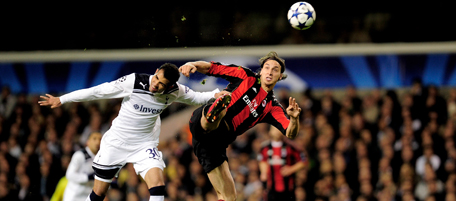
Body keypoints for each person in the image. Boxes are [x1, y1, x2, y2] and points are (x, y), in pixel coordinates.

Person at [39, 63, 225, 201]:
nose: (155, 84)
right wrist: (62, 100)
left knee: (158, 186)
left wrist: (215, 94)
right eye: (156, 78)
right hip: (116, 143)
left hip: (144, 144)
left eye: (161, 84)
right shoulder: (134, 81)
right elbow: (98, 91)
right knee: (99, 194)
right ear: (156, 72)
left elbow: (196, 97)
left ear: (169, 87)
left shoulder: (175, 92)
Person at [179, 51, 302, 201]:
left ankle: (216, 111)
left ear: (280, 76)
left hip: (215, 144)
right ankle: (216, 110)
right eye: (267, 67)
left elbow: (290, 133)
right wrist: (192, 64)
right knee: (219, 111)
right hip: (203, 121)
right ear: (261, 71)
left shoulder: (272, 107)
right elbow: (213, 68)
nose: (270, 71)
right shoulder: (245, 76)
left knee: (229, 196)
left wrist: (294, 119)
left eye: (275, 69)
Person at [258, 126, 307, 201]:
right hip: (271, 187)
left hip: (289, 187)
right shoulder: (265, 148)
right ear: (269, 132)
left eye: (279, 129)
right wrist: (263, 172)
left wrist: (291, 169)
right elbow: (262, 160)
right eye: (274, 129)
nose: (277, 131)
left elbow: (303, 160)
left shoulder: (291, 147)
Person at [63, 132, 102, 201]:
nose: (97, 142)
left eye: (100, 139)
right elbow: (69, 175)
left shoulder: (101, 159)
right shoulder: (80, 155)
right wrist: (87, 177)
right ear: (88, 142)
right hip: (73, 196)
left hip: (87, 196)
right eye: (94, 139)